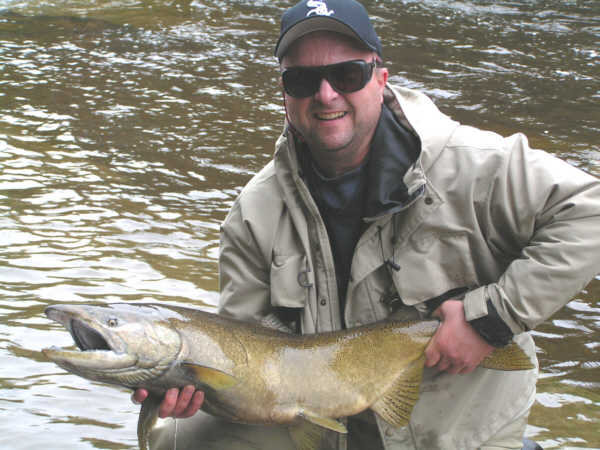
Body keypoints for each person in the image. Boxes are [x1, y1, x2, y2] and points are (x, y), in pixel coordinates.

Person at [133, 0, 600, 448]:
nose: (326, 94)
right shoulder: (254, 213)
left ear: (381, 78)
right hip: (324, 419)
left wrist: (492, 319)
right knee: (175, 442)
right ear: (284, 92)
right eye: (302, 80)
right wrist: (201, 387)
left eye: (347, 74)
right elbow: (245, 347)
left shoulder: (473, 165)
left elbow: (590, 209)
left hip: (453, 431)